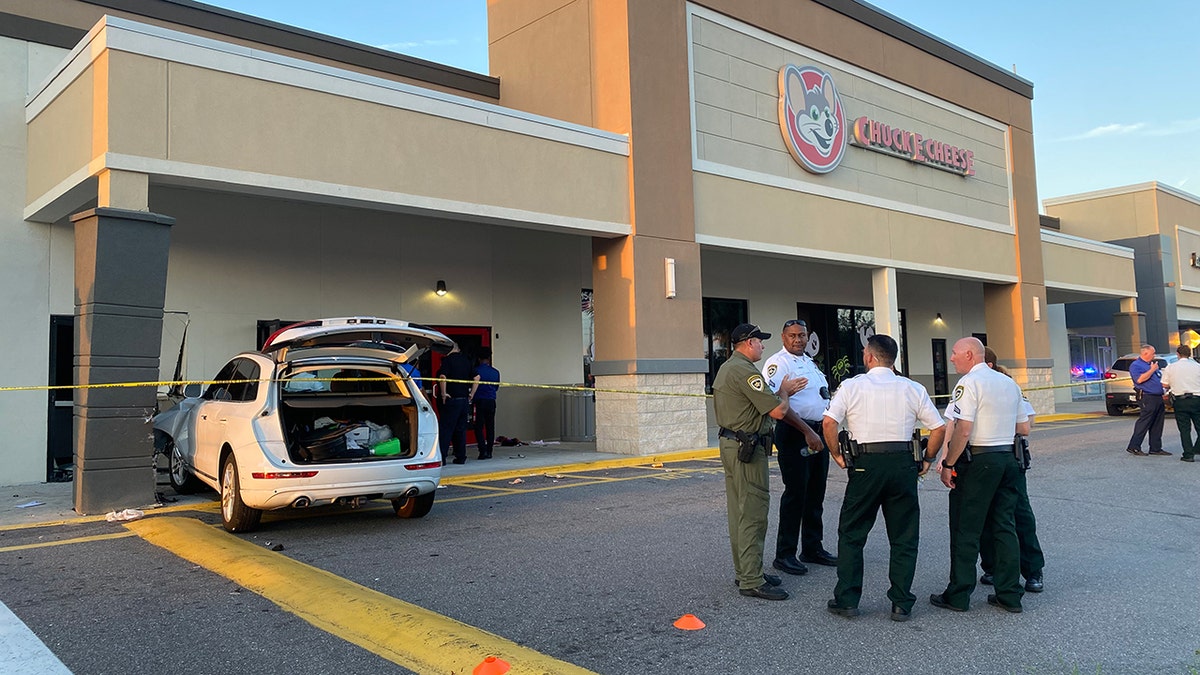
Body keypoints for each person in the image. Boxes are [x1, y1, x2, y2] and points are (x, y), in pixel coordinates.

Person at [821, 334, 946, 621]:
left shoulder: (852, 386)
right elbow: (938, 428)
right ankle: (901, 602)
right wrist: (928, 458)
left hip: (866, 465)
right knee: (904, 536)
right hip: (903, 463)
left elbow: (829, 422)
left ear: (869, 357)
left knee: (852, 534)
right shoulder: (912, 388)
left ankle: (847, 600)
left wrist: (836, 454)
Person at [930, 337, 1029, 613]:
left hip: (979, 460)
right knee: (1004, 526)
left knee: (966, 528)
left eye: (954, 353)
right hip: (1007, 458)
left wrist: (949, 463)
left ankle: (958, 594)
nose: (951, 359)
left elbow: (963, 429)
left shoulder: (969, 383)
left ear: (970, 355)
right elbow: (1023, 426)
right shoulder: (1009, 383)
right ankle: (1009, 594)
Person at [712, 323, 811, 601]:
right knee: (753, 512)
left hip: (733, 444)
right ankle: (751, 579)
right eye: (760, 341)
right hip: (746, 448)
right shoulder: (744, 370)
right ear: (748, 343)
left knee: (739, 511)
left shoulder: (728, 367)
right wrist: (784, 390)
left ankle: (747, 569)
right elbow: (778, 411)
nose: (763, 346)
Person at [762, 319, 837, 576]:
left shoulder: (808, 361)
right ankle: (785, 554)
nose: (798, 340)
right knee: (796, 494)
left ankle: (812, 548)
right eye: (793, 335)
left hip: (817, 432)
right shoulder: (777, 364)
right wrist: (806, 431)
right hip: (795, 433)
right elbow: (774, 406)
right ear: (783, 337)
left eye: (802, 335)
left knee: (816, 493)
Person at [975, 347, 1046, 593]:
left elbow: (1028, 424)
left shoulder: (1008, 385)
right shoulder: (972, 385)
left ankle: (1033, 570)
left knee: (1019, 514)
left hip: (1008, 454)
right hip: (984, 457)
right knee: (986, 515)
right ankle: (993, 567)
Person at [1125, 344, 1170, 456]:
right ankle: (1134, 446)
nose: (1154, 355)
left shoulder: (1150, 364)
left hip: (1158, 397)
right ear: (1145, 353)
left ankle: (1155, 447)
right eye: (1152, 353)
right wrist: (1152, 370)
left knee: (1157, 423)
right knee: (1144, 422)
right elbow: (1140, 380)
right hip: (1147, 397)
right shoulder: (1136, 365)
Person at [436, 343, 474, 465]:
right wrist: (471, 393)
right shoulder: (466, 361)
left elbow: (442, 376)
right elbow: (477, 377)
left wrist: (443, 393)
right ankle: (461, 457)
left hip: (452, 400)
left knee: (446, 429)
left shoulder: (448, 360)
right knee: (460, 430)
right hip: (464, 400)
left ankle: (442, 457)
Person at [1161, 344, 1200, 463]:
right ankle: (1197, 448)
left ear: (1178, 354)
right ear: (1190, 354)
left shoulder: (1171, 367)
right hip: (1197, 399)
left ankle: (1188, 455)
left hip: (1180, 400)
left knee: (1184, 429)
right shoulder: (1198, 366)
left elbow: (1164, 384)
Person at [470, 348, 500, 460]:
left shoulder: (475, 371)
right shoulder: (495, 372)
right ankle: (489, 451)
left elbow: (472, 385)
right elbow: (496, 387)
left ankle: (482, 451)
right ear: (489, 358)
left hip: (479, 401)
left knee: (479, 426)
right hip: (491, 401)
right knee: (490, 426)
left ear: (478, 359)